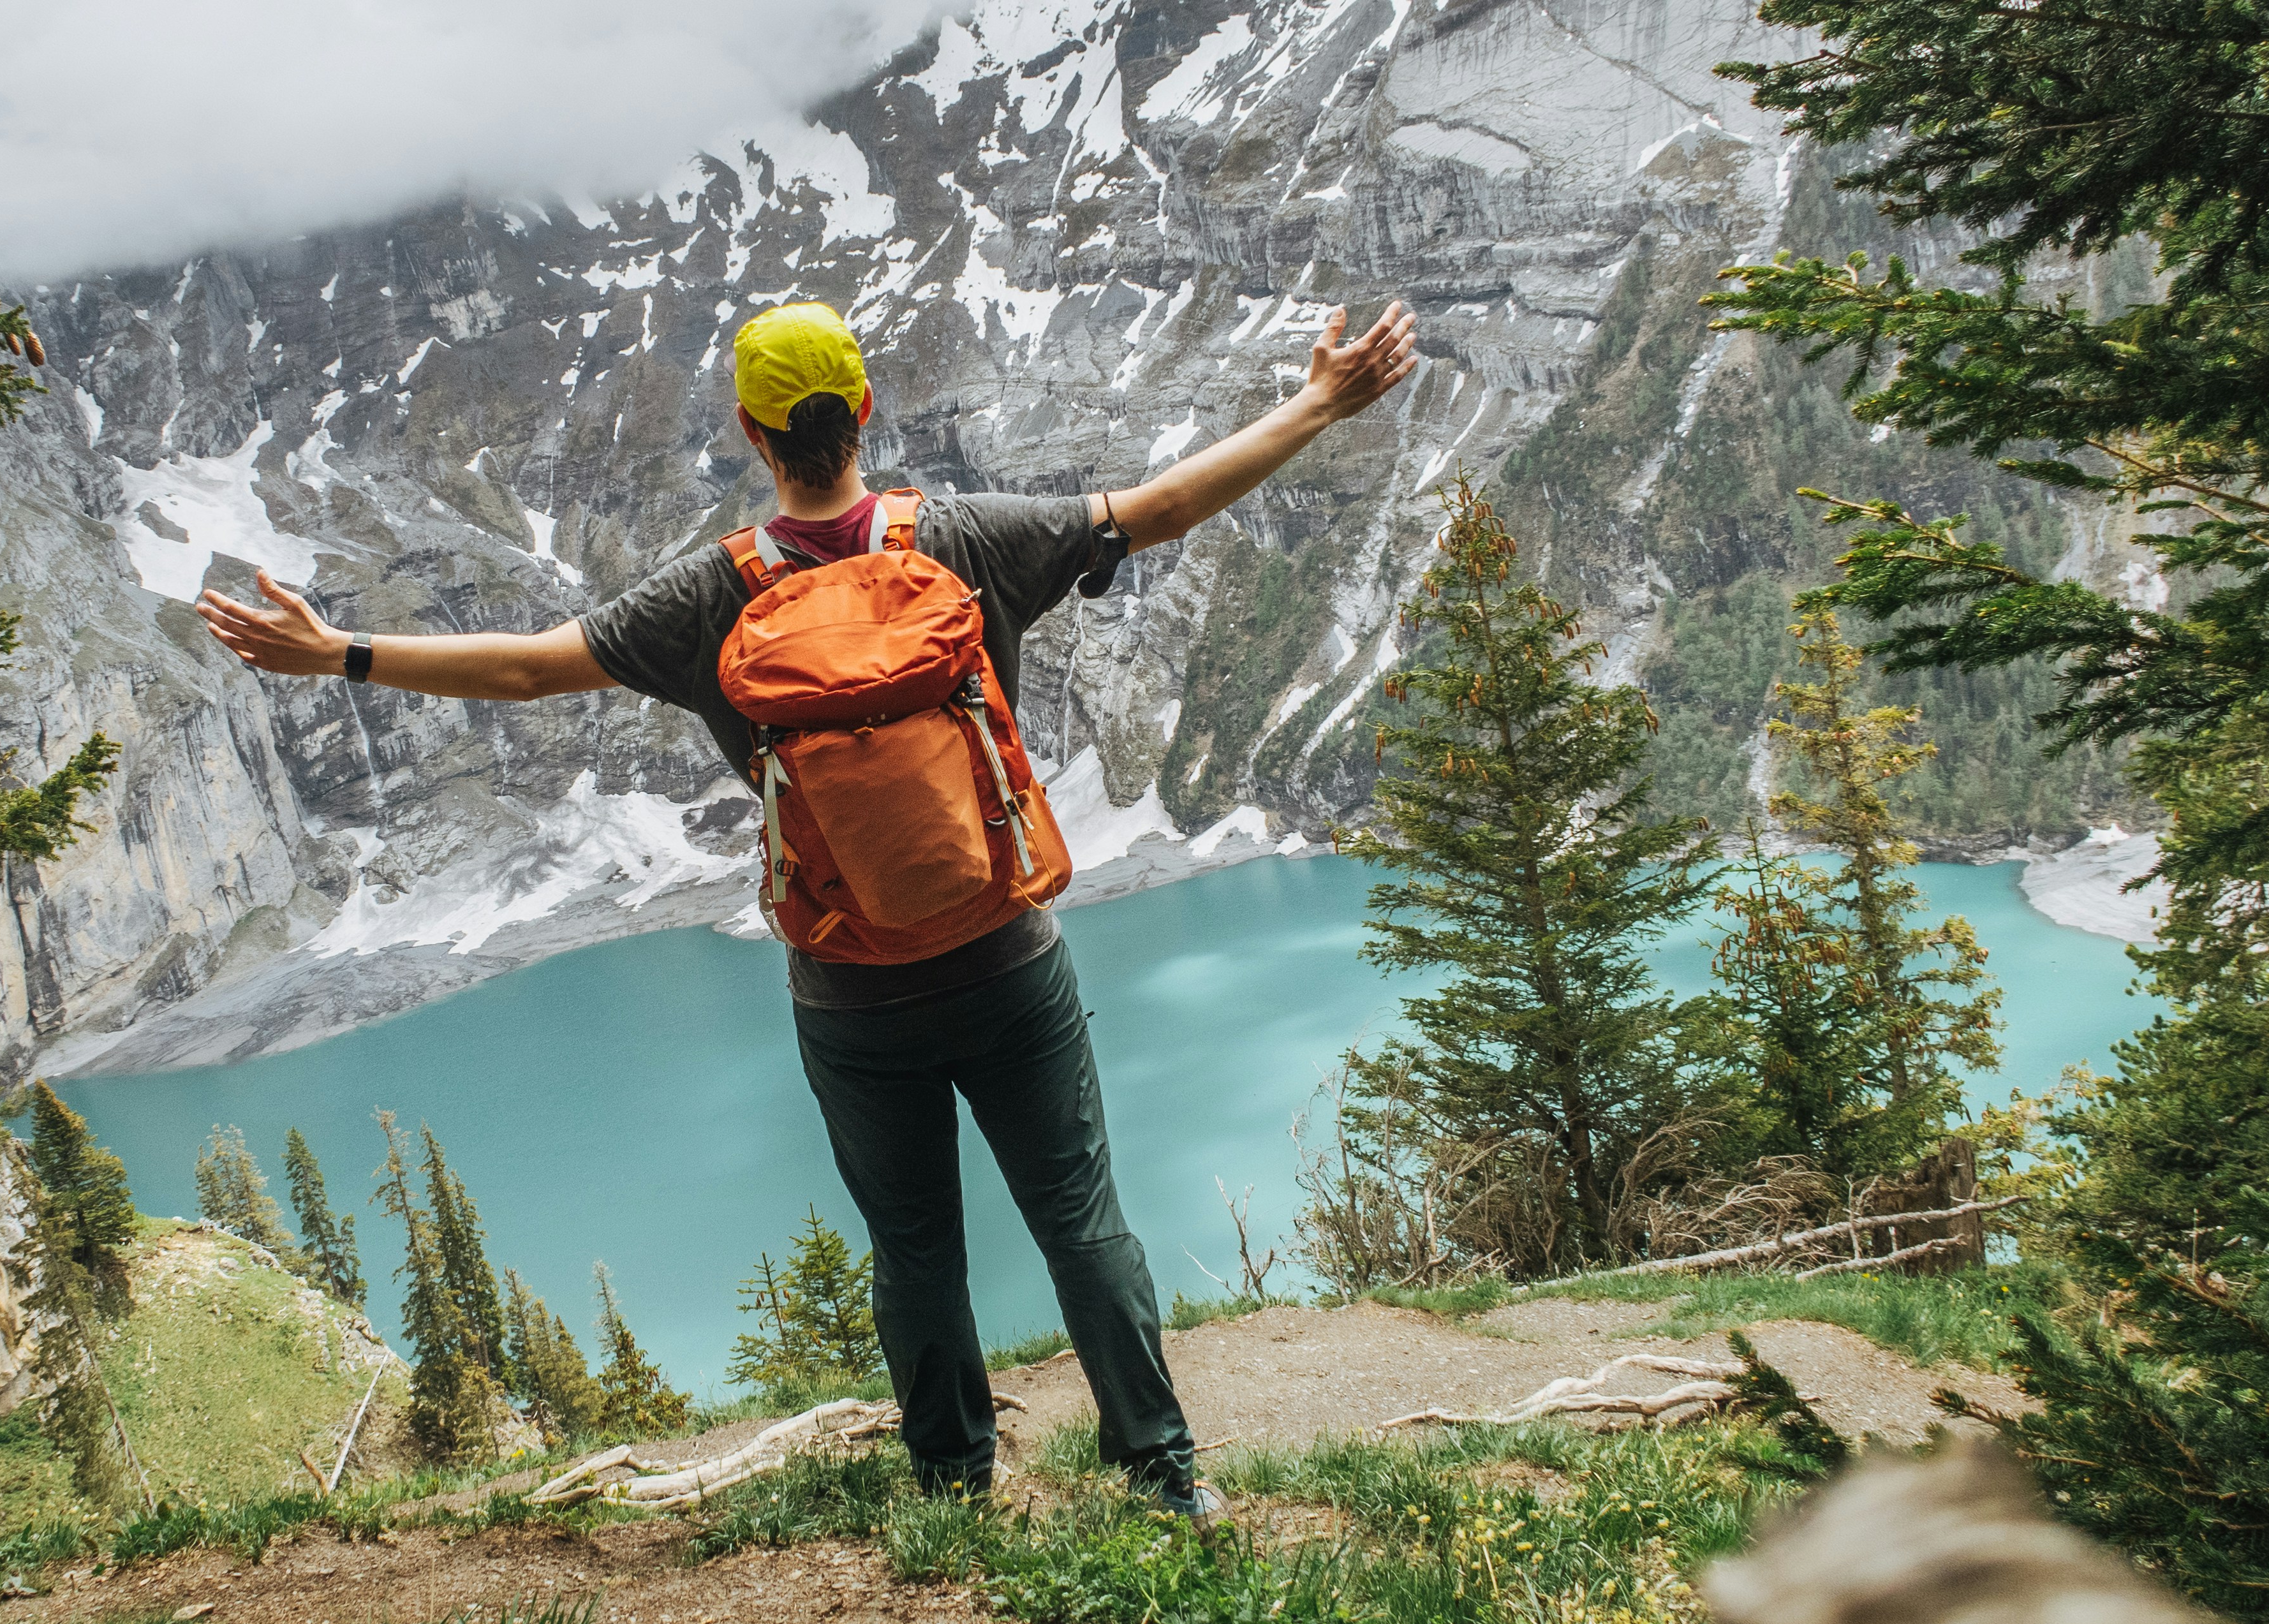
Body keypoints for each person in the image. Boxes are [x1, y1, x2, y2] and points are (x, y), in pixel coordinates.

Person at [200, 295, 1419, 1517]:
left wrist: (340, 652)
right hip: (1006, 957)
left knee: (916, 1248)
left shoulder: (715, 596)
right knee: (1079, 1220)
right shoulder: (963, 540)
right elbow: (1157, 510)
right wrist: (1319, 399)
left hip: (849, 989)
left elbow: (528, 664)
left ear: (752, 431)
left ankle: (951, 1489)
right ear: (866, 409)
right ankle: (1163, 1471)